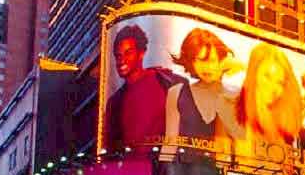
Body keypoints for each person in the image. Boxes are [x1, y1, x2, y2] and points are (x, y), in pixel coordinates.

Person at [103, 24, 184, 153]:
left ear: (141, 53)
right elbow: (109, 147)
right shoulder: (114, 102)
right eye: (118, 56)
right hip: (130, 169)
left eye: (128, 53)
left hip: (164, 166)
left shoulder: (166, 81)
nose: (121, 60)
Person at [235, 43, 303, 175]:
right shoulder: (230, 113)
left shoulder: (283, 130)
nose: (273, 88)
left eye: (280, 82)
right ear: (254, 73)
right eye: (267, 76)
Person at [165, 27, 242, 144]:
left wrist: (238, 67)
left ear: (221, 60)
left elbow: (241, 139)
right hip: (182, 161)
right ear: (191, 62)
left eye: (210, 60)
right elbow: (170, 143)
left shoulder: (232, 95)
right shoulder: (177, 93)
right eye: (198, 60)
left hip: (222, 161)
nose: (205, 67)